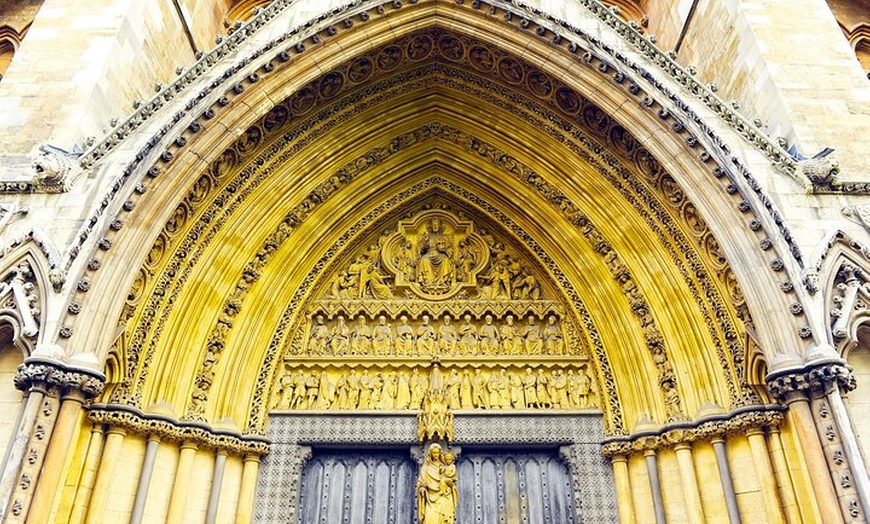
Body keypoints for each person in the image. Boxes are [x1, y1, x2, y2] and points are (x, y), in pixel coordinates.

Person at [417, 443, 457, 524]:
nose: (436, 455)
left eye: (437, 453)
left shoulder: (444, 466)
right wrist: (422, 489)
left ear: (440, 453)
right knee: (430, 519)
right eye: (434, 453)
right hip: (431, 499)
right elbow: (421, 483)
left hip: (444, 497)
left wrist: (449, 484)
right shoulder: (426, 468)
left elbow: (452, 480)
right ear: (430, 454)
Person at [417, 218, 455, 291]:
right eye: (433, 225)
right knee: (424, 260)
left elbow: (449, 248)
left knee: (445, 260)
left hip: (440, 254)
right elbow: (421, 249)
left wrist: (443, 248)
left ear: (439, 226)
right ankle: (428, 281)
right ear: (431, 226)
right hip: (429, 254)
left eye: (436, 225)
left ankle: (443, 281)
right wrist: (425, 242)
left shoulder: (444, 237)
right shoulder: (427, 236)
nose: (435, 226)